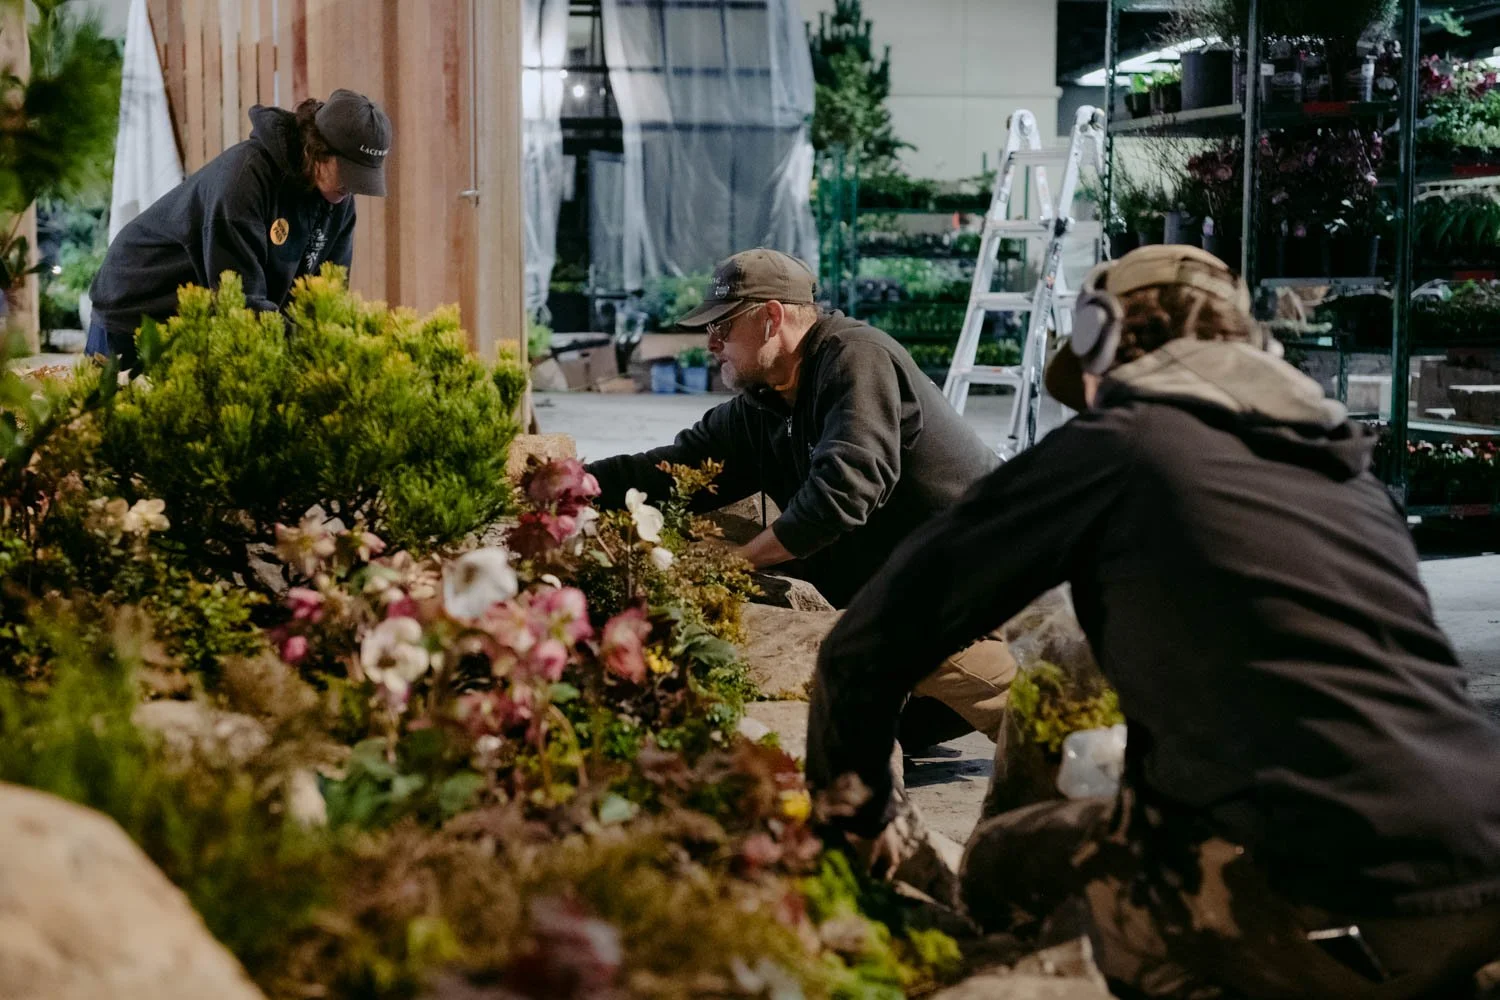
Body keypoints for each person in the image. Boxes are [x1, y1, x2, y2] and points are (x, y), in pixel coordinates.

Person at [805, 244, 1500, 999]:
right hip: (1482, 855)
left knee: (1010, 866)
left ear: (1104, 341)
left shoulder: (1124, 442)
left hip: (1329, 891)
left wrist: (858, 820)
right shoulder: (1347, 479)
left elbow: (866, 644)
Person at [586, 247, 1014, 747]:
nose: (711, 344)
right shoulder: (766, 400)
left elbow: (838, 497)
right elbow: (673, 470)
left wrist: (737, 564)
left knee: (908, 634)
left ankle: (1079, 732)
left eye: (722, 328)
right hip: (902, 575)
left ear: (770, 319)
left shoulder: (857, 359)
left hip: (982, 578)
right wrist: (570, 483)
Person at [87, 89, 392, 370]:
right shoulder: (243, 181)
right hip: (138, 308)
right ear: (319, 150)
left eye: (362, 178)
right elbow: (240, 301)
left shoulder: (338, 202)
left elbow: (325, 299)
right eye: (350, 173)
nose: (352, 189)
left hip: (204, 321)